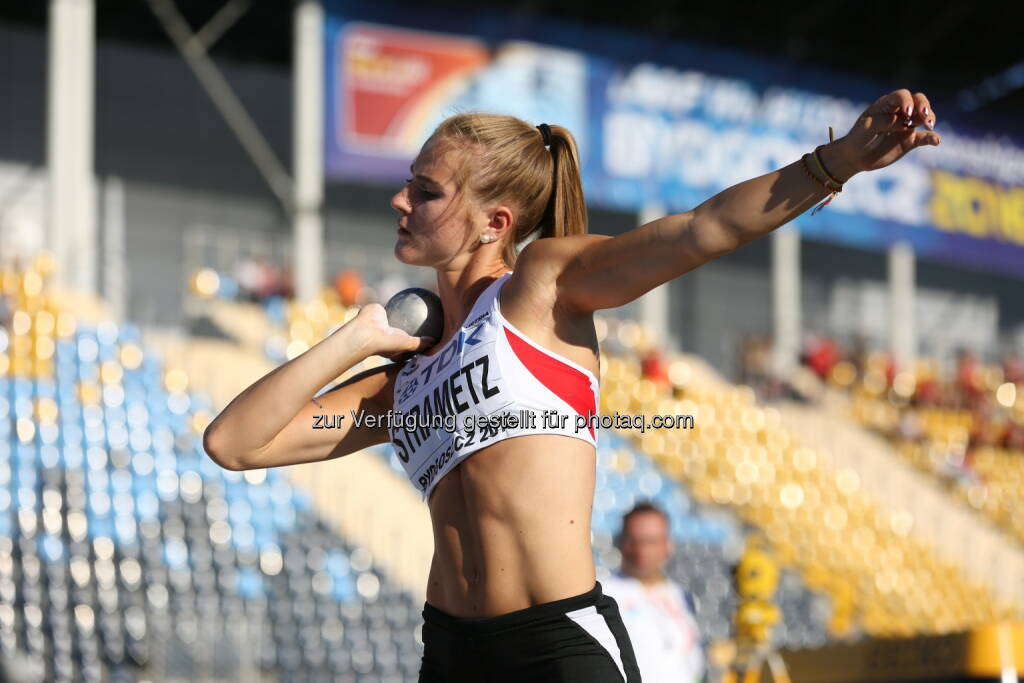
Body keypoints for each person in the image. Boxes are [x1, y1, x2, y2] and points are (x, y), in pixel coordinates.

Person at [202, 89, 940, 681]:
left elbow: (701, 229)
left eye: (424, 191)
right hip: (451, 654)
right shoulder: (402, 380)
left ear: (495, 221)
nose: (401, 202)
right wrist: (355, 338)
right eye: (408, 185)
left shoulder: (541, 289)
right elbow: (233, 443)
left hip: (555, 644)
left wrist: (837, 161)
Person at [603, 503, 705, 683]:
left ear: (667, 544)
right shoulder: (605, 595)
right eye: (634, 540)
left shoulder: (682, 597)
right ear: (621, 542)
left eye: (651, 541)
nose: (642, 550)